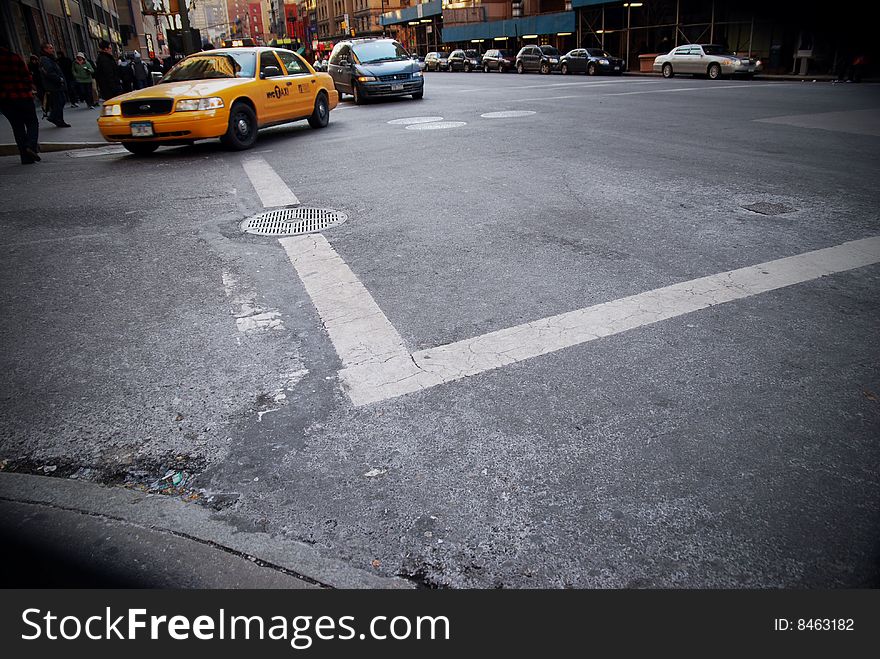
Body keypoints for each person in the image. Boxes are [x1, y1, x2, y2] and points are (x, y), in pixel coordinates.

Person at [0, 43, 41, 164]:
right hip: (22, 96)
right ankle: (31, 145)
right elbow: (27, 76)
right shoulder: (14, 57)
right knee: (32, 122)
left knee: (17, 127)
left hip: (5, 99)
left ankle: (25, 157)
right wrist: (29, 88)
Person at [39, 42, 70, 127]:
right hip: (53, 86)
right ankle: (55, 118)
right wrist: (58, 79)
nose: (52, 50)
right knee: (59, 102)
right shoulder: (45, 59)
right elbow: (49, 72)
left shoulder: (49, 58)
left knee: (61, 101)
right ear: (45, 49)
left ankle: (57, 118)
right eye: (50, 48)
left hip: (56, 85)